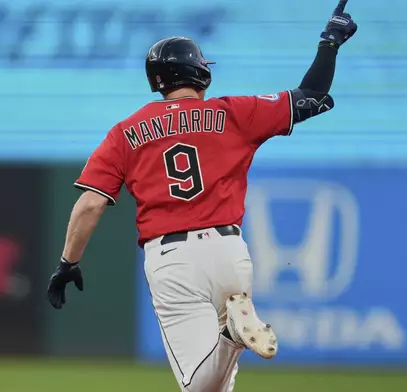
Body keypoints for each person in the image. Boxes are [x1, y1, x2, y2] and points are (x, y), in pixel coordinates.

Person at [47, 1, 357, 390]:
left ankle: (232, 338)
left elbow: (91, 203)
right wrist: (330, 41)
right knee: (218, 387)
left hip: (174, 261)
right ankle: (235, 335)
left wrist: (67, 263)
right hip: (231, 254)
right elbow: (311, 95)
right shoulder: (233, 113)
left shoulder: (125, 132)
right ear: (197, 72)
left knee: (199, 386)